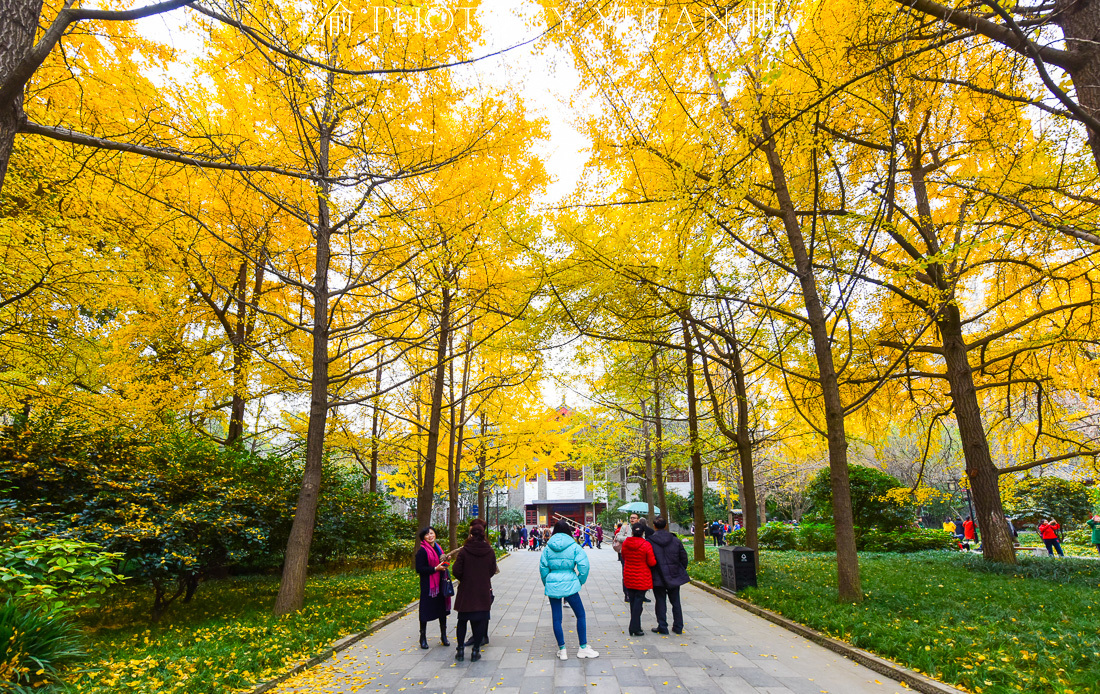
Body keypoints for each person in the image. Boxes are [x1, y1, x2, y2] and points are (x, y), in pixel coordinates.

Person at [540, 519, 599, 660]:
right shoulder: (574, 546)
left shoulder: (548, 548)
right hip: (571, 584)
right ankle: (583, 648)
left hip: (553, 584)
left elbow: (543, 568)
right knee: (580, 614)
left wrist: (547, 583)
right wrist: (579, 581)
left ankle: (562, 650)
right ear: (568, 531)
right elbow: (584, 566)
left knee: (556, 618)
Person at [451, 521, 497, 662]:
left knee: (462, 621)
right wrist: (482, 578)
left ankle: (460, 650)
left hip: (466, 590)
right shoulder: (489, 551)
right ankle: (476, 651)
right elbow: (492, 569)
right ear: (483, 534)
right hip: (482, 590)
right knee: (480, 621)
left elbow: (456, 570)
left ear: (471, 534)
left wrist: (465, 578)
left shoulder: (464, 550)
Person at [648, 516, 688, 635]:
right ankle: (678, 626)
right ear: (665, 526)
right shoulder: (675, 540)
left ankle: (662, 626)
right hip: (674, 575)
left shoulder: (650, 541)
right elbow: (683, 557)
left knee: (660, 601)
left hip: (657, 575)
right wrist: (678, 569)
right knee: (676, 601)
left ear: (654, 526)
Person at [415, 526, 452, 649]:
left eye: (432, 533)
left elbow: (441, 563)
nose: (430, 536)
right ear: (423, 538)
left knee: (442, 610)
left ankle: (444, 636)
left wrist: (446, 561)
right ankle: (423, 637)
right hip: (428, 585)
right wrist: (435, 569)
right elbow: (419, 569)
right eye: (427, 534)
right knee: (425, 610)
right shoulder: (422, 551)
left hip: (440, 583)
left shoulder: (438, 548)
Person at [621, 522, 657, 636]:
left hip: (629, 575)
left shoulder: (626, 543)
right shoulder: (646, 545)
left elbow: (624, 556)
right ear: (643, 533)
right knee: (638, 602)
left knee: (633, 602)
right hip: (642, 576)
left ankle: (636, 625)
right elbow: (651, 562)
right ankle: (634, 627)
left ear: (632, 532)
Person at [615, 514, 639, 602]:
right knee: (625, 573)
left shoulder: (641, 528)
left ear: (638, 519)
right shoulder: (625, 527)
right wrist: (629, 539)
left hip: (637, 554)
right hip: (625, 554)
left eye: (634, 518)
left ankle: (636, 592)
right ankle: (627, 594)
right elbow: (618, 537)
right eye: (631, 518)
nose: (632, 519)